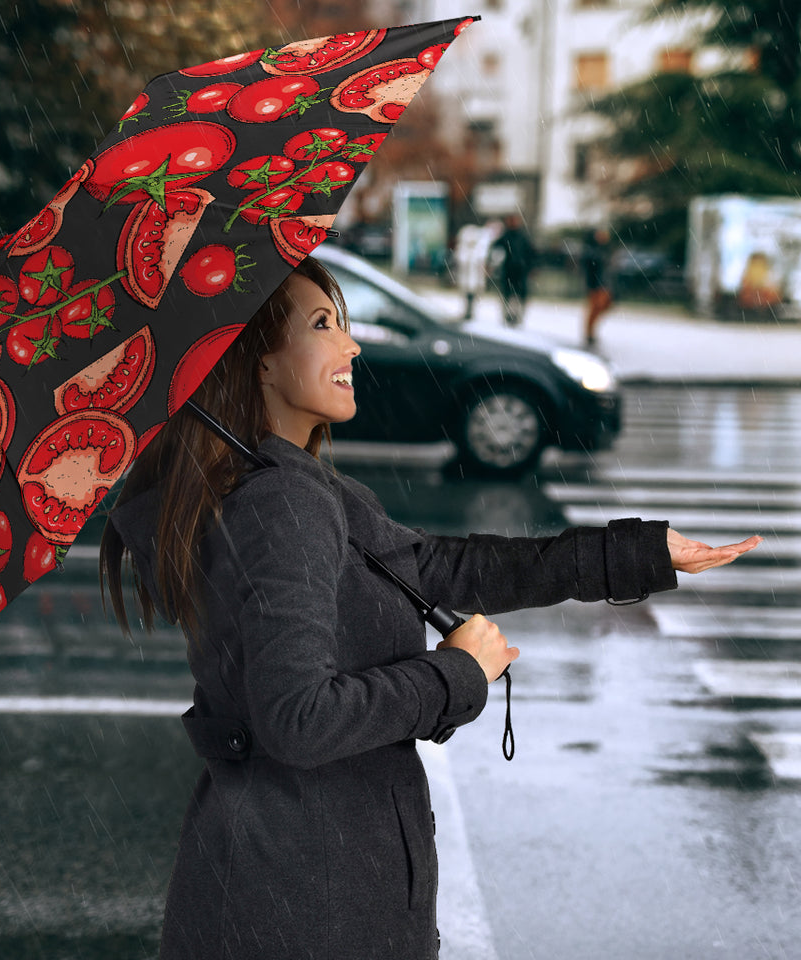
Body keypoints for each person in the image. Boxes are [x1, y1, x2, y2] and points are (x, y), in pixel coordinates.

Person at [100, 256, 760, 960]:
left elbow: (445, 567)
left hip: (294, 883)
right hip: (307, 902)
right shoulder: (280, 504)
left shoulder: (293, 489)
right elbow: (297, 720)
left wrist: (637, 554)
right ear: (259, 363)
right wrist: (454, 673)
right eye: (323, 325)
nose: (351, 345)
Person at [489, 213, 536, 327]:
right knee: (508, 294)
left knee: (518, 295)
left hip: (520, 271)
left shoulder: (522, 237)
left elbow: (531, 253)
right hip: (509, 270)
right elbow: (495, 249)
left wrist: (531, 267)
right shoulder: (506, 236)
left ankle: (516, 316)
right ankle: (508, 315)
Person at [582, 226, 613, 347]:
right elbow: (591, 265)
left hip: (604, 283)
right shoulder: (591, 250)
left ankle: (591, 331)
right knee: (595, 308)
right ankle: (589, 333)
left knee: (603, 306)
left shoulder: (604, 249)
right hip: (595, 284)